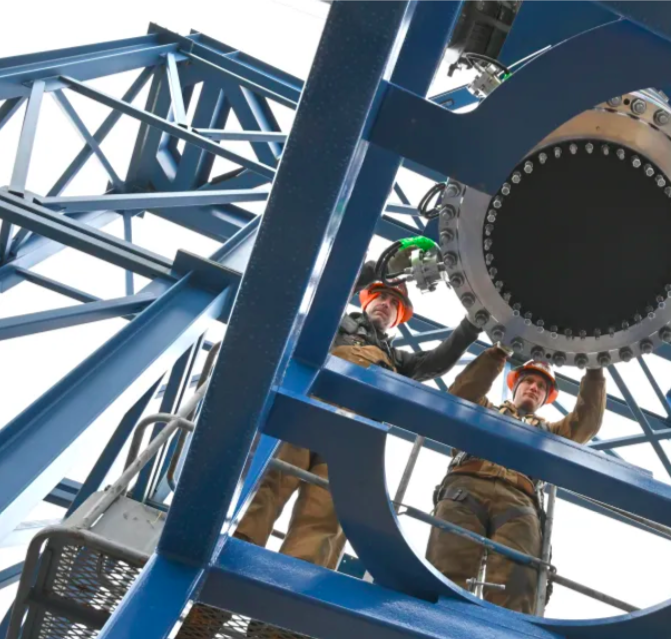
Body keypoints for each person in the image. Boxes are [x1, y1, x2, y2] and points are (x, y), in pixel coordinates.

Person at [177, 259, 481, 638]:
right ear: (367, 300)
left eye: (393, 304)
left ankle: (281, 617)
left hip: (355, 431)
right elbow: (326, 294)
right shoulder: (334, 322)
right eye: (380, 297)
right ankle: (213, 599)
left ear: (399, 318)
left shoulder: (398, 360)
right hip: (306, 403)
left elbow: (439, 360)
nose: (385, 305)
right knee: (268, 487)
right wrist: (373, 270)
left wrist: (474, 322)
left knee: (326, 521)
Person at [424, 347, 606, 614]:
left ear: (546, 398)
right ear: (515, 386)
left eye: (541, 387)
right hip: (465, 489)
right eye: (529, 381)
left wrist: (594, 367)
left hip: (519, 504)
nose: (534, 388)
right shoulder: (483, 410)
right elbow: (462, 393)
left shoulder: (550, 432)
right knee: (445, 574)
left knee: (517, 592)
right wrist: (499, 351)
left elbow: (586, 422)